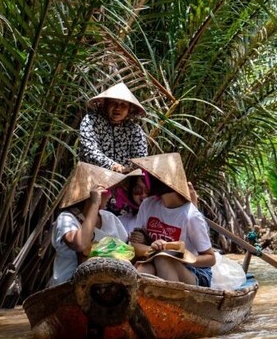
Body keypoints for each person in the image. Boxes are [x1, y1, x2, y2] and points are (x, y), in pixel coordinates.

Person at [128, 153, 215, 287]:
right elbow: (135, 244)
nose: (146, 180)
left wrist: (183, 256)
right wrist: (153, 248)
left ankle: (172, 303)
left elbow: (210, 258)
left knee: (163, 258)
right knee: (145, 267)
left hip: (195, 272)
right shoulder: (147, 205)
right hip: (155, 261)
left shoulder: (191, 216)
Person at [49, 162, 129, 286]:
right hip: (70, 286)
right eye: (107, 191)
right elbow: (80, 244)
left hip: (108, 285)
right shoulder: (67, 218)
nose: (110, 196)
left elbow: (127, 248)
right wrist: (94, 203)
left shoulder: (110, 218)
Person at [78, 82, 148, 173]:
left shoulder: (134, 130)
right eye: (113, 103)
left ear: (129, 109)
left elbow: (141, 160)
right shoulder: (91, 121)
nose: (117, 108)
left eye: (123, 105)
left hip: (125, 180)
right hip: (93, 176)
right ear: (105, 105)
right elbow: (89, 150)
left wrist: (138, 179)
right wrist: (113, 166)